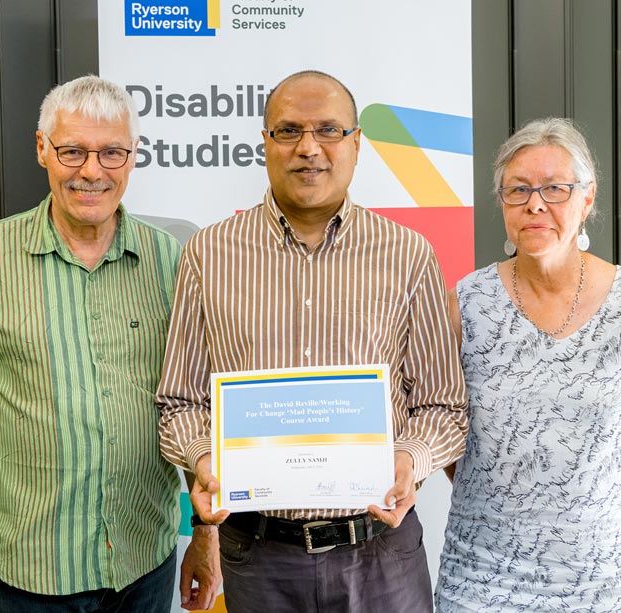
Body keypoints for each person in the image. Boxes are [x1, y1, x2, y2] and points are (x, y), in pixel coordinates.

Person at [156, 69, 468, 613]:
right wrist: (204, 457)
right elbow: (179, 401)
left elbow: (444, 405)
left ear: (356, 144)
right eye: (288, 131)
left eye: (328, 130)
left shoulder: (408, 254)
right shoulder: (209, 254)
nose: (308, 148)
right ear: (265, 142)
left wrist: (409, 459)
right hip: (258, 556)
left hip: (380, 556)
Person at [0, 75, 220, 612]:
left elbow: (192, 404)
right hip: (24, 572)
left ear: (133, 155)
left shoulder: (171, 261)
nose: (92, 171)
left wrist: (205, 533)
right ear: (42, 149)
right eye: (73, 151)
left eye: (111, 153)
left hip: (143, 564)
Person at [436, 117, 621, 611]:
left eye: (555, 188)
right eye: (518, 190)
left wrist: (600, 524)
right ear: (502, 202)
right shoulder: (465, 305)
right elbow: (445, 434)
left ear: (587, 199)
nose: (535, 204)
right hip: (487, 580)